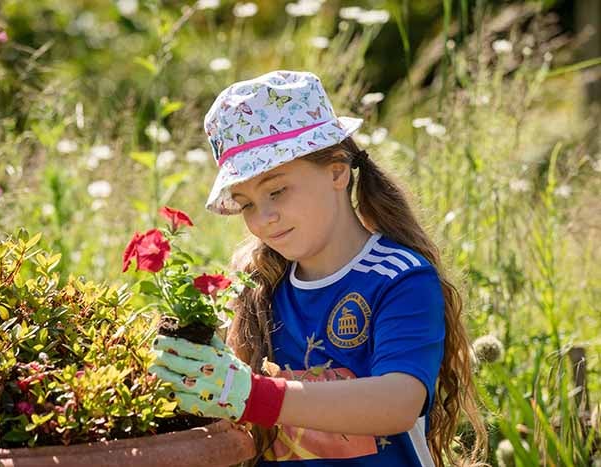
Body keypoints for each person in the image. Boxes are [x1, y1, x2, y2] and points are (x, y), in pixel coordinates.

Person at [149, 70, 486, 466]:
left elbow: (399, 401)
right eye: (246, 204)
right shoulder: (258, 286)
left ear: (337, 171)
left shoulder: (399, 277)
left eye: (276, 191)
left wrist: (253, 395)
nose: (264, 218)